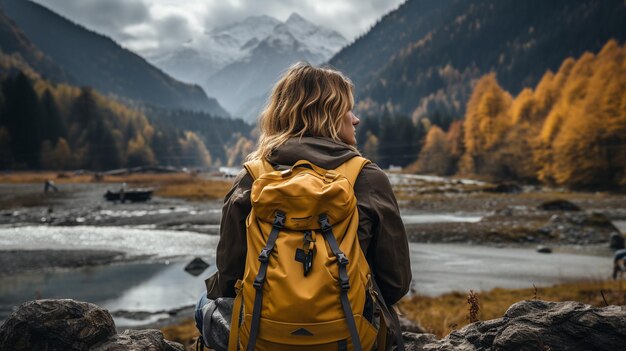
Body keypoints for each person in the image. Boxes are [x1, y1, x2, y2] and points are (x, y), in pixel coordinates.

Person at [196, 62, 411, 350]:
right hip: (352, 339)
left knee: (204, 303)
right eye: (347, 109)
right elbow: (396, 283)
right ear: (328, 115)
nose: (356, 119)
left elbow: (228, 281)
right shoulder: (367, 178)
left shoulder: (252, 178)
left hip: (259, 341)